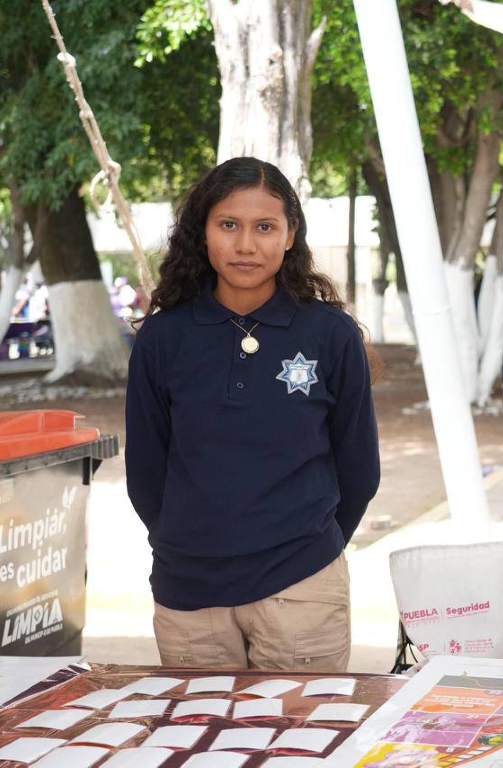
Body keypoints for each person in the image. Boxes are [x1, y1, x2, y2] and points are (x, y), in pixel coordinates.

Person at [126, 157, 380, 672]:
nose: (246, 245)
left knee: (301, 746)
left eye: (265, 227)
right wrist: (194, 545)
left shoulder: (331, 335)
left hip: (302, 587)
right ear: (203, 232)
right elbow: (146, 474)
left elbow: (359, 470)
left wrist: (311, 550)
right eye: (229, 225)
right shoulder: (163, 338)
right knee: (200, 748)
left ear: (290, 235)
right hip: (189, 595)